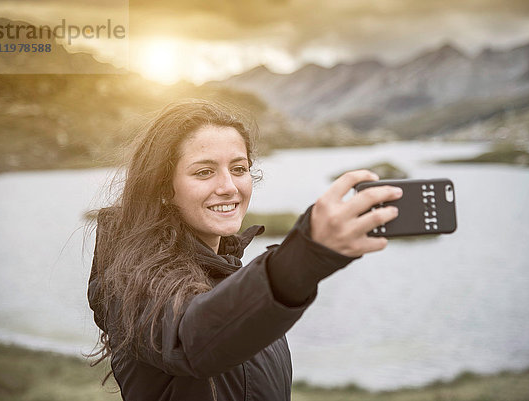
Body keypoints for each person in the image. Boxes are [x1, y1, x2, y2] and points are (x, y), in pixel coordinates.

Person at [87, 99, 402, 401]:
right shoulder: (131, 282)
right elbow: (191, 339)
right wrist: (306, 255)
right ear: (164, 188)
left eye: (238, 168)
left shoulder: (227, 274)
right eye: (204, 172)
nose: (229, 186)